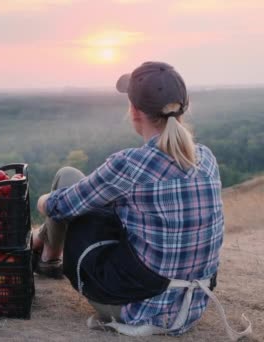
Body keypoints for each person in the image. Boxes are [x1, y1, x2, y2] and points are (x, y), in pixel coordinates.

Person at [30, 61, 252, 340]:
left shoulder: (130, 165)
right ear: (184, 107)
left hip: (135, 307)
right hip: (190, 305)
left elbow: (58, 206)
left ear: (134, 111)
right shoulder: (206, 158)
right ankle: (46, 255)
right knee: (104, 203)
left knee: (68, 177)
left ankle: (47, 259)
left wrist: (42, 201)